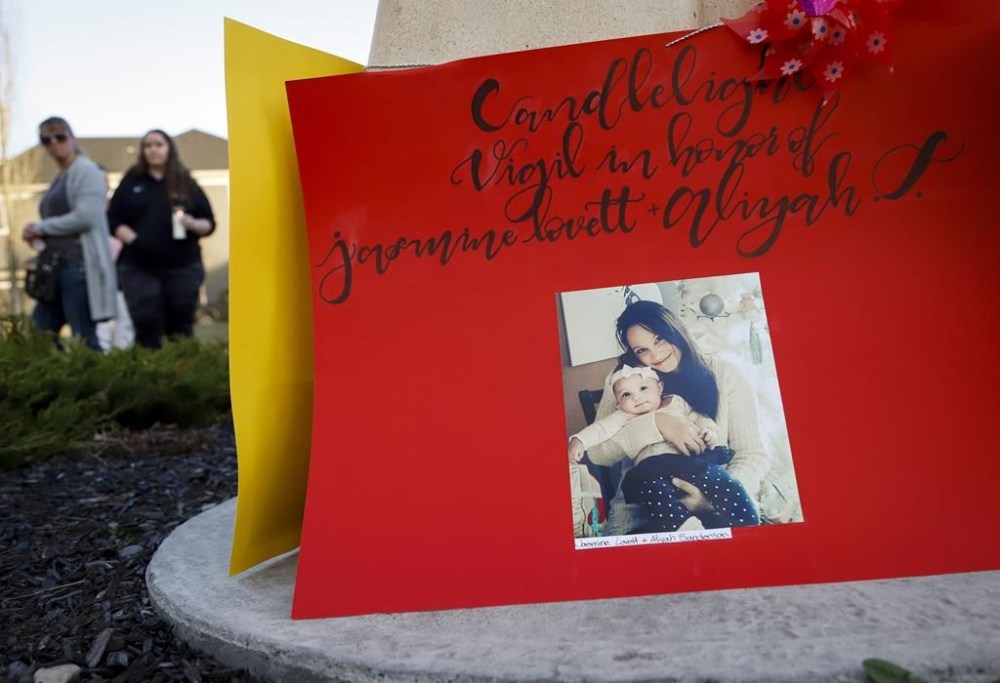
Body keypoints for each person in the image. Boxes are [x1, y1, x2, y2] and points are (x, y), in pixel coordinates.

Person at [586, 300, 772, 533]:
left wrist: (709, 500)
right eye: (642, 350)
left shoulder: (726, 374)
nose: (656, 354)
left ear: (675, 328)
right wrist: (656, 424)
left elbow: (753, 453)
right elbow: (597, 453)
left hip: (716, 498)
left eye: (659, 338)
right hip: (643, 509)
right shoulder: (626, 379)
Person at [570, 364, 758, 532]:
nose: (637, 397)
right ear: (618, 402)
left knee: (725, 481)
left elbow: (699, 418)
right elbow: (601, 429)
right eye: (626, 394)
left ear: (659, 388)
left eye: (644, 388)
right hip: (653, 470)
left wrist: (709, 431)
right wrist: (579, 440)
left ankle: (746, 525)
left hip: (692, 461)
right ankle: (687, 528)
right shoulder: (624, 415)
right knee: (654, 496)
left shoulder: (675, 402)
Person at [106, 129, 214, 348]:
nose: (152, 150)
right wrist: (134, 239)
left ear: (169, 148)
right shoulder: (132, 181)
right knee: (146, 322)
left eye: (158, 144)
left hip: (182, 265)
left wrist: (192, 224)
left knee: (181, 325)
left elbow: (209, 223)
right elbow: (113, 219)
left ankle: (182, 373)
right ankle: (151, 372)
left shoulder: (185, 182)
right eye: (147, 145)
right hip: (139, 266)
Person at [21, 117, 117, 351]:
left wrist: (41, 227)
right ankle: (59, 381)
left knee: (84, 337)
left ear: (72, 138)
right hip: (53, 268)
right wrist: (37, 235)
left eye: (59, 136)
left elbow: (87, 217)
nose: (54, 143)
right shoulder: (59, 178)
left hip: (78, 267)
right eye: (46, 139)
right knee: (40, 334)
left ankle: (102, 385)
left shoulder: (87, 171)